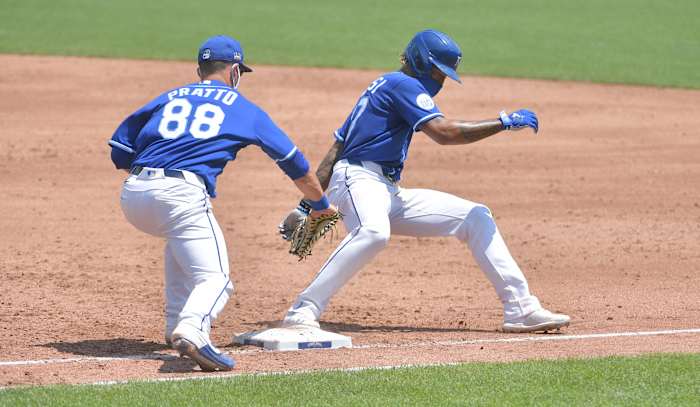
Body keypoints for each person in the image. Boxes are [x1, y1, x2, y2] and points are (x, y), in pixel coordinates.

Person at [279, 30, 570, 334]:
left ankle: (520, 309)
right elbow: (444, 133)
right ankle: (303, 310)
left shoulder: (386, 85)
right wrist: (504, 123)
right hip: (357, 179)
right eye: (436, 71)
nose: (440, 81)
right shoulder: (403, 84)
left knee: (475, 216)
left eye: (444, 75)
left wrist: (305, 205)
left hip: (385, 189)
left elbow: (336, 148)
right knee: (374, 232)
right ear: (419, 60)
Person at [109, 35, 336, 371]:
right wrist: (320, 206)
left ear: (200, 69)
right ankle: (192, 330)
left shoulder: (169, 96)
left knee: (180, 238)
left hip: (134, 194)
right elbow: (296, 164)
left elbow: (120, 150)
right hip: (181, 196)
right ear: (234, 71)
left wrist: (153, 182)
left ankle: (175, 324)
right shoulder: (243, 108)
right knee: (217, 279)